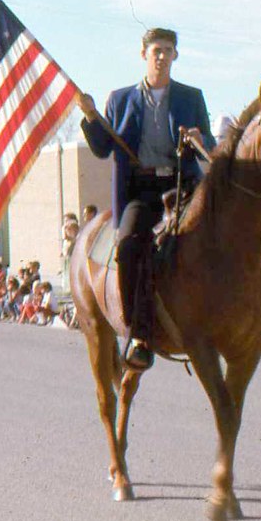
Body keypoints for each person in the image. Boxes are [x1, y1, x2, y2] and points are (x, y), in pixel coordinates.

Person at [77, 27, 214, 369]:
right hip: (141, 191)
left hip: (183, 187)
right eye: (156, 50)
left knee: (225, 231)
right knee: (128, 247)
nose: (162, 56)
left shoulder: (191, 97)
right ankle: (139, 336)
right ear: (144, 55)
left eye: (168, 50)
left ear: (175, 56)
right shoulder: (120, 99)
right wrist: (92, 117)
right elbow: (102, 147)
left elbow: (209, 146)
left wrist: (199, 138)